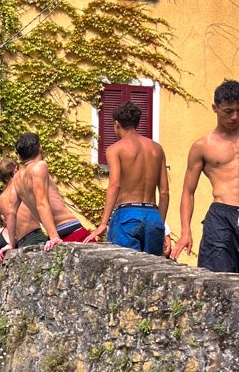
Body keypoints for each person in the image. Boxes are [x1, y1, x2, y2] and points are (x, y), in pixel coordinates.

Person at [84, 101, 169, 254]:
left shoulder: (115, 149)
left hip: (127, 215)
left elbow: (114, 185)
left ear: (117, 124)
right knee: (152, 272)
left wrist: (104, 223)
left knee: (124, 270)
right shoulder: (157, 149)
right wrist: (160, 225)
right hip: (153, 215)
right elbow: (164, 192)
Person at [173, 79, 239, 272]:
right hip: (221, 216)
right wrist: (186, 231)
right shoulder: (203, 146)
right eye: (228, 111)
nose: (234, 117)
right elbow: (188, 191)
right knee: (217, 280)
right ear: (215, 108)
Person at [0, 134, 93, 255]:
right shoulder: (40, 166)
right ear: (40, 149)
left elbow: (11, 213)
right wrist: (54, 236)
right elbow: (41, 203)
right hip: (70, 230)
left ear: (20, 155)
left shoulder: (17, 178)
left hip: (54, 234)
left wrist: (11, 244)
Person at [0, 156, 45, 255]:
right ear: (16, 168)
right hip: (36, 237)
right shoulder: (23, 185)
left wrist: (11, 244)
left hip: (20, 243)